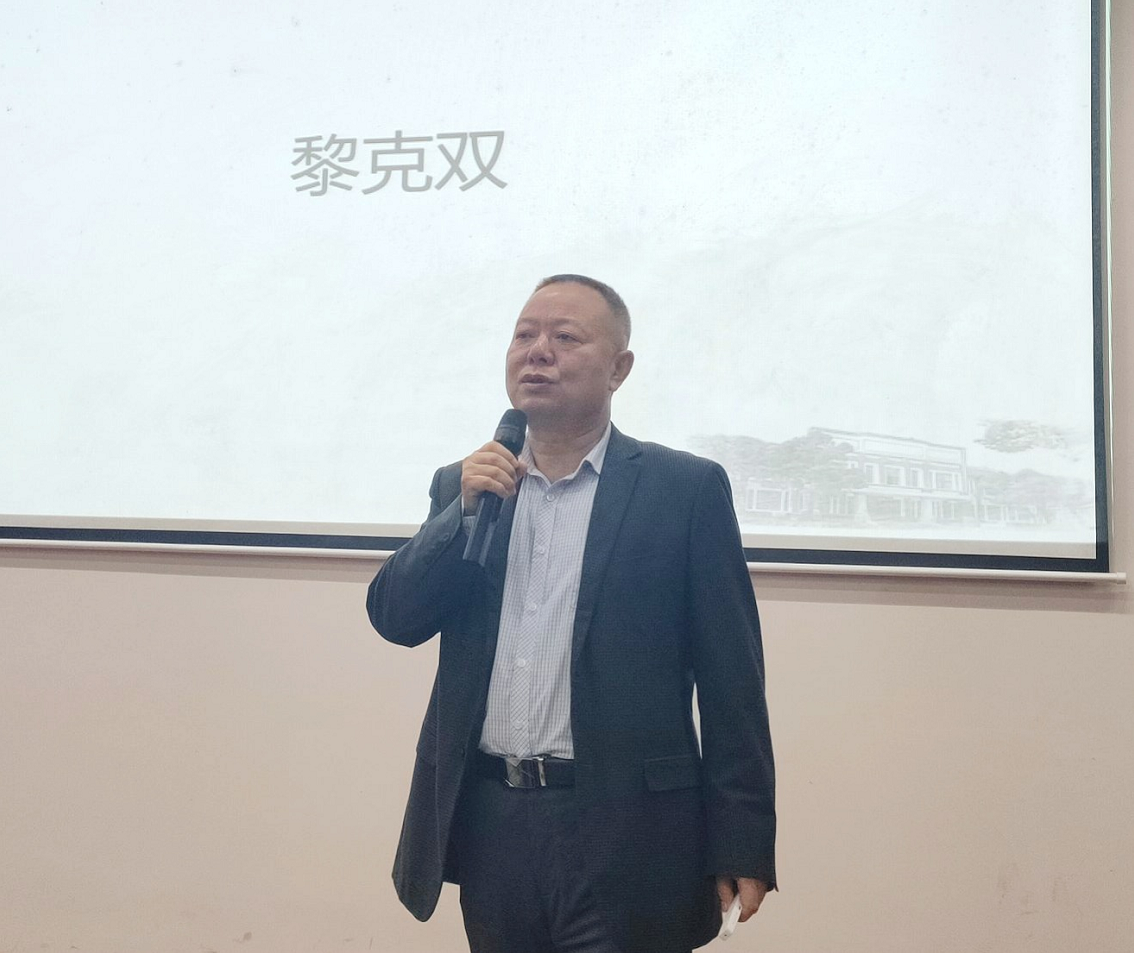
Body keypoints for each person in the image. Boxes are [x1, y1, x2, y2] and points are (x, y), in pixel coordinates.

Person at [366, 275, 776, 953]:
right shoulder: (467, 486)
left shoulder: (683, 489)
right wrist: (456, 516)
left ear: (619, 368)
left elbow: (732, 679)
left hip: (629, 831)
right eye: (524, 335)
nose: (538, 351)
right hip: (494, 824)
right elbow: (395, 617)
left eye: (565, 337)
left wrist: (742, 838)